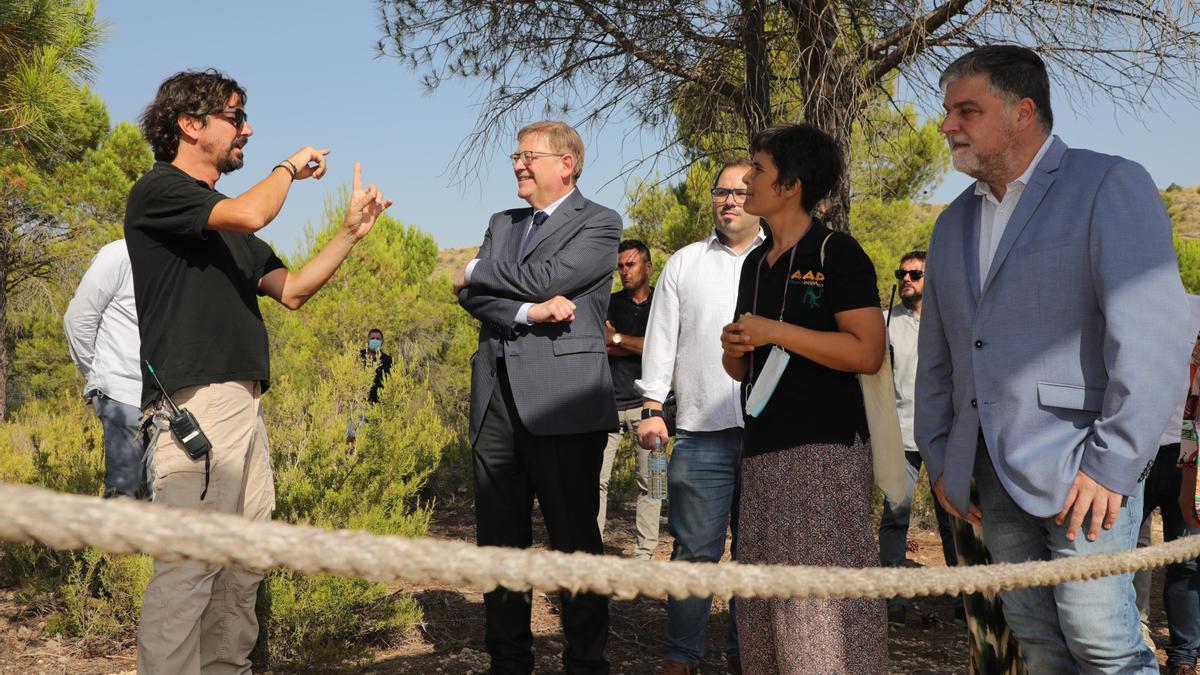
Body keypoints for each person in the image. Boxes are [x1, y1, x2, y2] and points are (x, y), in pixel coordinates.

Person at [917, 45, 1192, 673]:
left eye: (966, 110)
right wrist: (941, 457)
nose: (947, 125)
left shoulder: (1108, 183)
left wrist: (1114, 463)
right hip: (986, 471)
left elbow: (1151, 334)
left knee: (1102, 641)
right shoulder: (951, 222)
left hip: (1084, 469)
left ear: (1022, 113)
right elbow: (941, 354)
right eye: (947, 111)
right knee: (1037, 641)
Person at [126, 68, 391, 674]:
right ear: (190, 126)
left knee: (242, 567)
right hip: (196, 406)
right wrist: (288, 169)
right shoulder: (160, 190)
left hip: (243, 406)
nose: (247, 128)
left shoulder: (228, 218)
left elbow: (292, 290)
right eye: (234, 116)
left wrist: (350, 234)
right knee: (190, 567)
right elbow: (251, 214)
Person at [452, 120, 621, 674]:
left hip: (564, 405)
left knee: (575, 544)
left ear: (567, 163)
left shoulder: (600, 222)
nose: (518, 164)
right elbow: (476, 300)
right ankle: (509, 663)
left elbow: (553, 272)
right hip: (495, 404)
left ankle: (586, 663)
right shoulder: (504, 222)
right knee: (500, 549)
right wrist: (530, 310)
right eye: (516, 154)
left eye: (529, 155)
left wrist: (477, 268)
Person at [720, 123, 887, 672]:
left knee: (819, 617)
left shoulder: (837, 252)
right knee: (764, 616)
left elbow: (867, 352)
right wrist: (735, 347)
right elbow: (740, 367)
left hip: (823, 456)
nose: (747, 178)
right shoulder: (754, 262)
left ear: (791, 184)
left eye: (759, 169)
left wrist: (774, 332)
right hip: (762, 453)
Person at [637, 157, 764, 675]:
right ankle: (680, 659)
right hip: (699, 434)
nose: (729, 200)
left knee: (756, 560)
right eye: (721, 192)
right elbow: (661, 339)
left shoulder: (779, 259)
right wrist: (651, 406)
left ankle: (746, 657)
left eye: (741, 192)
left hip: (768, 437)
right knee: (693, 554)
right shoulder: (685, 262)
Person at [876, 250, 959, 626]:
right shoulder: (883, 324)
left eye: (915, 273)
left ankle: (964, 595)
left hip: (946, 437)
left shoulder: (951, 321)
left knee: (954, 518)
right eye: (901, 273)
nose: (906, 279)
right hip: (900, 437)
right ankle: (894, 597)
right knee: (895, 517)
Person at [64, 240, 144, 499]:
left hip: (169, 398)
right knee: (123, 492)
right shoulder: (119, 254)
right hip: (122, 394)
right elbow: (78, 320)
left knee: (167, 496)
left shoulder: (176, 255)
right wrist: (98, 376)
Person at [597, 239, 661, 560]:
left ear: (648, 267)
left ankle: (646, 550)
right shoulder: (608, 304)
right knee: (596, 481)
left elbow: (659, 348)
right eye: (620, 266)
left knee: (653, 481)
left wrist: (619, 338)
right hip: (607, 405)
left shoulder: (663, 304)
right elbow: (601, 345)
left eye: (631, 264)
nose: (624, 271)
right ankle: (591, 548)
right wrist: (638, 344)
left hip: (649, 407)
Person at [360, 327, 393, 404]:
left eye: (378, 339)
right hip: (360, 402)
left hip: (380, 404)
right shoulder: (358, 356)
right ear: (368, 340)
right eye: (372, 338)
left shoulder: (388, 360)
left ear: (382, 341)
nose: (375, 340)